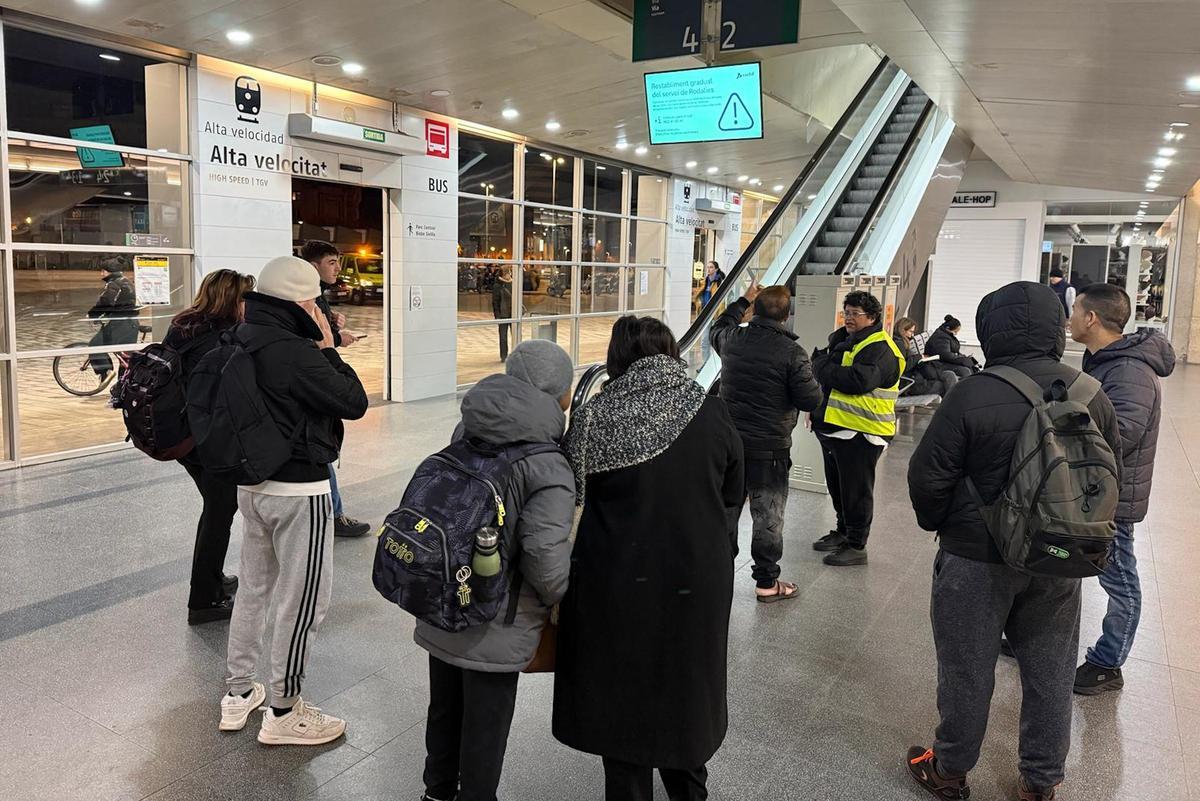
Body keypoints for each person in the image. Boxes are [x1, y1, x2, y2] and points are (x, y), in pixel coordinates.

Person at [905, 281, 1121, 801]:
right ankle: (1042, 781)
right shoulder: (1090, 392)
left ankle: (951, 769)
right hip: (1061, 556)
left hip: (977, 556)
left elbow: (927, 477)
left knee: (967, 667)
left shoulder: (972, 392)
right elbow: (1110, 473)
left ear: (990, 328)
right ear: (1054, 327)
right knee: (1049, 670)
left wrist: (945, 525)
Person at [555, 316, 744, 801]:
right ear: (671, 354)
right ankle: (688, 791)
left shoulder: (595, 416)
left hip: (614, 577)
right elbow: (732, 491)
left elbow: (570, 494)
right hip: (696, 575)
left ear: (617, 359)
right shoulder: (709, 409)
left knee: (622, 690)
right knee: (686, 681)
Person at [416, 339, 576, 801]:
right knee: (487, 724)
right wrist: (564, 599)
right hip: (498, 616)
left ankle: (436, 793)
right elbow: (545, 559)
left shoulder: (466, 428)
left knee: (444, 709)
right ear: (556, 394)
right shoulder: (548, 462)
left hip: (445, 594)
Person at [218, 255, 368, 745]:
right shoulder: (296, 352)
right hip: (299, 491)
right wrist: (327, 346)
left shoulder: (243, 336)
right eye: (316, 303)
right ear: (304, 302)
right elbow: (353, 401)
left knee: (255, 590)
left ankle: (239, 693)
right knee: (303, 601)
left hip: (253, 486)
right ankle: (284, 710)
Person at [1069, 283, 1175, 694]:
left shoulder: (1129, 370)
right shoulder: (1104, 361)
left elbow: (1123, 433)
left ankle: (1108, 662)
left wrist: (1063, 423)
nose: (1071, 317)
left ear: (1091, 318)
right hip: (1091, 489)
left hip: (1113, 500)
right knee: (1063, 567)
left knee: (1120, 582)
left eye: (1076, 310)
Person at [710, 281, 823, 601]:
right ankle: (766, 583)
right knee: (767, 516)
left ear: (754, 311)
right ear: (786, 318)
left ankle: (718, 573)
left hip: (729, 445)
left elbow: (718, 326)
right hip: (769, 448)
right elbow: (811, 399)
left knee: (726, 508)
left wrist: (743, 298)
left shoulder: (732, 340)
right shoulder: (793, 353)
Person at [165, 269, 256, 625]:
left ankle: (213, 579)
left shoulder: (184, 325)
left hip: (183, 437)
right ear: (231, 298)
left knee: (218, 507)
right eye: (245, 296)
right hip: (205, 439)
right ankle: (203, 599)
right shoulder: (218, 338)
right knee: (220, 512)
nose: (249, 302)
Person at [809, 291, 904, 566]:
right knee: (838, 487)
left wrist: (820, 366)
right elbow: (828, 369)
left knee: (856, 490)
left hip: (862, 432)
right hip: (836, 428)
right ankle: (843, 531)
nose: (848, 318)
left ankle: (856, 544)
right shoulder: (844, 339)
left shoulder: (881, 348)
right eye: (846, 312)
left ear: (872, 317)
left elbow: (856, 381)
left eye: (855, 314)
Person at [299, 240, 371, 539]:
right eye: (332, 262)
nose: (338, 268)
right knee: (321, 446)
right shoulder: (306, 295)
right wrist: (336, 340)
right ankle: (335, 515)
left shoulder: (317, 294)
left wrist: (332, 323)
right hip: (316, 382)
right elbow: (314, 341)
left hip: (314, 381)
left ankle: (332, 512)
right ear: (314, 265)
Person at [87, 256, 139, 376]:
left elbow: (105, 302)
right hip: (131, 323)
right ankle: (123, 385)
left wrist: (93, 314)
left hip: (121, 324)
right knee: (126, 358)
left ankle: (106, 372)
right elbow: (119, 304)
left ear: (111, 271)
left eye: (103, 271)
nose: (101, 273)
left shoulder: (114, 284)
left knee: (94, 346)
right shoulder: (125, 281)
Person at [894, 317, 958, 397]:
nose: (912, 335)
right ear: (902, 330)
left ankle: (953, 404)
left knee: (949, 375)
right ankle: (953, 405)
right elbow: (903, 366)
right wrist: (919, 357)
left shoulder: (902, 342)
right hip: (910, 383)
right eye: (911, 331)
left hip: (917, 377)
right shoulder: (899, 344)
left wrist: (920, 358)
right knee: (944, 384)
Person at [493, 265, 514, 361]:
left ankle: (516, 354)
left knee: (516, 334)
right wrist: (497, 315)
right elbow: (495, 302)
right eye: (507, 273)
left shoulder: (514, 283)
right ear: (503, 274)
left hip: (513, 313)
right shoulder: (498, 286)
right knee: (503, 337)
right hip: (503, 314)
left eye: (509, 272)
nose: (509, 274)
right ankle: (503, 356)